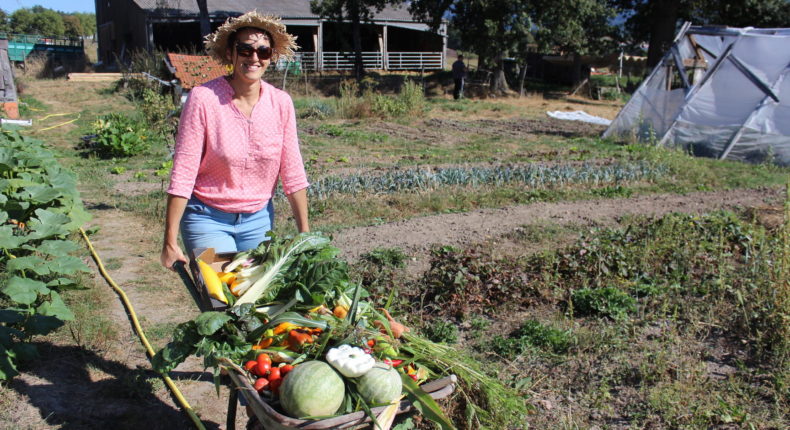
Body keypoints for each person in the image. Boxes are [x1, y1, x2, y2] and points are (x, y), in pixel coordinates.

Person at [160, 11, 310, 270]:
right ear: (230, 53)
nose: (254, 58)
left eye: (263, 52)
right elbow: (184, 171)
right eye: (245, 50)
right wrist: (169, 241)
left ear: (270, 57)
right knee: (221, 299)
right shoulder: (204, 99)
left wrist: (305, 236)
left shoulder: (281, 103)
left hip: (259, 221)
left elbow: (293, 173)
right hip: (207, 219)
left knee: (253, 303)